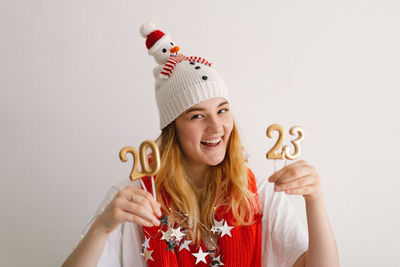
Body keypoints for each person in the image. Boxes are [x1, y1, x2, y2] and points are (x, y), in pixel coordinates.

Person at [62, 22, 339, 267]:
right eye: (197, 115)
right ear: (173, 130)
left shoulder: (260, 195)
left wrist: (314, 201)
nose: (216, 127)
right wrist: (102, 227)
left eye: (222, 110)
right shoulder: (134, 200)